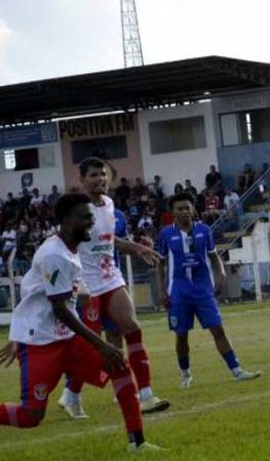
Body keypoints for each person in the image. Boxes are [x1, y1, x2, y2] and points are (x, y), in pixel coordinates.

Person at [0, 193, 161, 453]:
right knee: (31, 416)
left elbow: (55, 295)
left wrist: (82, 294)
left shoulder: (68, 248)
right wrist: (101, 344)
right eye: (86, 218)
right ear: (66, 221)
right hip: (41, 343)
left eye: (92, 217)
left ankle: (137, 442)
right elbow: (61, 310)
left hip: (66, 338)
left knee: (118, 365)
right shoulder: (55, 254)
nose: (92, 223)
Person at [56, 157, 170, 418]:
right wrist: (76, 284)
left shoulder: (108, 205)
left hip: (111, 278)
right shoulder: (74, 211)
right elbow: (63, 248)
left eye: (103, 175)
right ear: (82, 180)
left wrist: (137, 248)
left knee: (132, 328)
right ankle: (71, 394)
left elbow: (110, 240)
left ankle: (146, 394)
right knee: (92, 348)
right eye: (94, 175)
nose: (100, 180)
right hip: (87, 286)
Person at [156, 193, 261, 389]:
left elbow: (213, 257)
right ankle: (185, 374)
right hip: (178, 292)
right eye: (180, 209)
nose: (184, 212)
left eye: (187, 208)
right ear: (173, 212)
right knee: (181, 335)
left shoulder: (204, 230)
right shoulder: (165, 235)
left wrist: (220, 275)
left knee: (218, 329)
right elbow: (160, 265)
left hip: (203, 290)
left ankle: (236, 370)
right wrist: (162, 291)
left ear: (193, 209)